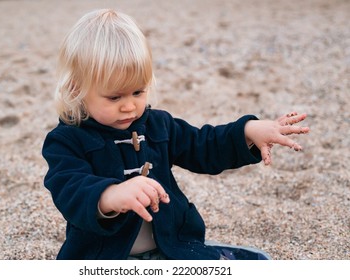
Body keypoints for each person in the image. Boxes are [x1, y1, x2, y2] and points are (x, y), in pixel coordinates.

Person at [41, 9, 309, 260]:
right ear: (77, 89)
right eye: (114, 97)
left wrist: (248, 132)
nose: (129, 106)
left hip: (171, 249)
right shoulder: (66, 140)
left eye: (138, 92)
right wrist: (110, 195)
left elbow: (204, 146)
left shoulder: (158, 125)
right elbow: (69, 188)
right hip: (103, 258)